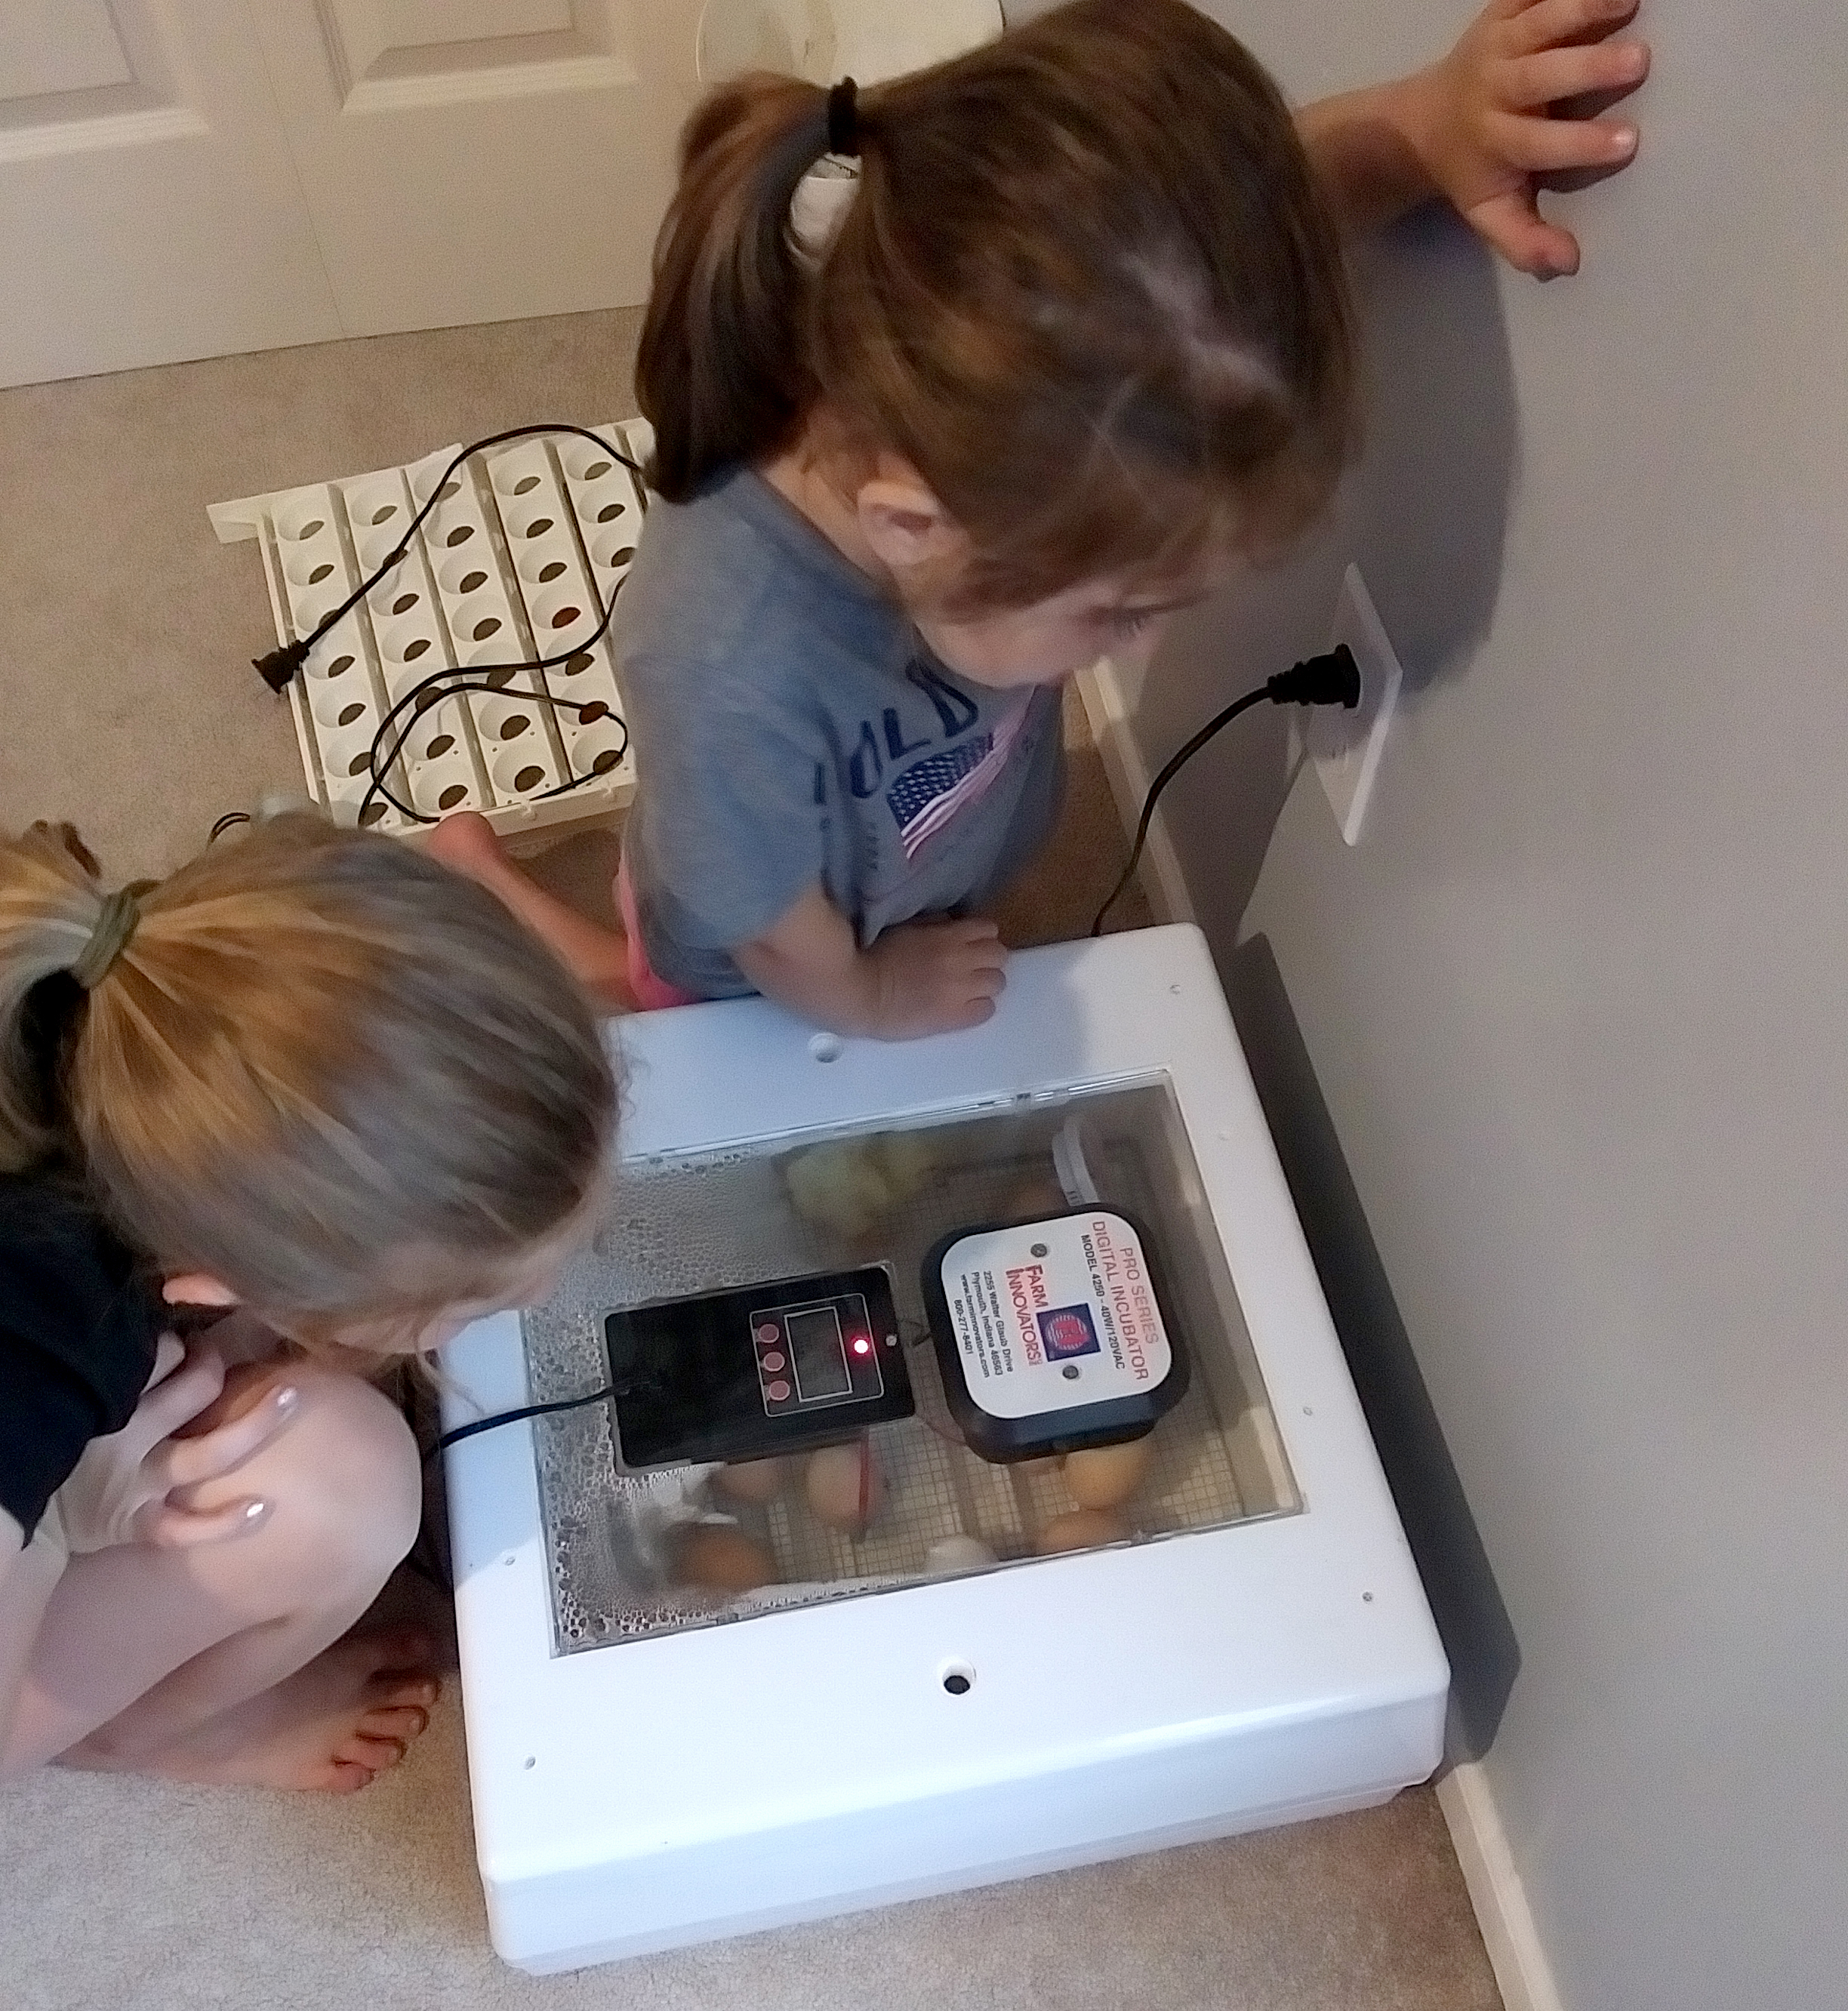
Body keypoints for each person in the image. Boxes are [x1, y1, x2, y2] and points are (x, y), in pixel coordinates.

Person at [430, 0, 1649, 1036]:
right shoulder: (721, 664)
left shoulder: (1018, 393)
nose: (1143, 644)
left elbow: (1235, 239)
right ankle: (497, 900)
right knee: (645, 1019)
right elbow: (769, 932)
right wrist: (867, 997)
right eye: (1116, 609)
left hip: (897, 868)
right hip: (763, 963)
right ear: (916, 528)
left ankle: (484, 879)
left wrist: (1427, 126)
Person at [0, 815, 615, 1791]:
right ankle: (135, 1735)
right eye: (462, 1303)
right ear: (212, 1283)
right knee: (345, 1485)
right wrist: (67, 1520)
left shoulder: (121, 980)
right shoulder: (39, 1361)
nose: (528, 1300)